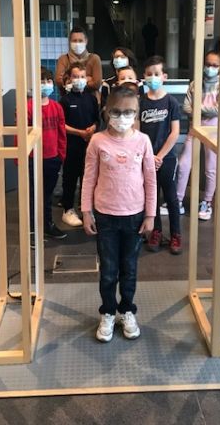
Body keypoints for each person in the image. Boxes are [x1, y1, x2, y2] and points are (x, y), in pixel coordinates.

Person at [81, 86, 156, 342]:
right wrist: (86, 211)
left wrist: (150, 215)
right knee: (108, 270)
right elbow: (89, 178)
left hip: (135, 216)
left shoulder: (143, 141)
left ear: (136, 113)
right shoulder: (97, 141)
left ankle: (127, 310)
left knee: (129, 269)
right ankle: (108, 311)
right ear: (106, 111)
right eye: (116, 111)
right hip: (105, 216)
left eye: (128, 112)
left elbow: (150, 180)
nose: (122, 117)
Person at [160, 50, 220, 220]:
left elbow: (219, 110)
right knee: (184, 164)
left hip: (213, 130)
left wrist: (198, 109)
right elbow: (186, 107)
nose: (210, 68)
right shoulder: (195, 84)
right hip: (195, 129)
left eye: (215, 65)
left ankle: (207, 202)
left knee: (211, 167)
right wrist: (205, 111)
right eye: (208, 64)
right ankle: (177, 201)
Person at [139, 55, 182, 254]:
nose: (153, 77)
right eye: (149, 74)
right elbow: (137, 132)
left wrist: (160, 156)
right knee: (152, 197)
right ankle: (156, 231)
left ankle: (176, 234)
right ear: (144, 76)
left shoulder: (171, 102)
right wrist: (149, 156)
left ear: (164, 76)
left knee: (171, 197)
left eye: (156, 73)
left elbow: (175, 132)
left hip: (167, 158)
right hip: (147, 158)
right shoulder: (140, 102)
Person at [25, 67, 67, 244]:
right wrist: (20, 158)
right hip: (33, 159)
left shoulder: (57, 107)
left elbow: (61, 133)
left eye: (48, 81)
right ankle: (32, 231)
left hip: (52, 158)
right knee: (33, 195)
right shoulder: (27, 107)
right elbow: (21, 134)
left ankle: (47, 225)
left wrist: (61, 155)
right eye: (41, 81)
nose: (45, 84)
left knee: (47, 195)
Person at [60, 62, 99, 227]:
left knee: (88, 178)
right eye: (75, 76)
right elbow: (61, 125)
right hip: (71, 146)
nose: (79, 80)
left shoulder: (91, 99)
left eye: (82, 77)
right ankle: (68, 209)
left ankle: (86, 209)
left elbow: (97, 119)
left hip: (89, 146)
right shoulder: (65, 100)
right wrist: (79, 132)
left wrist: (93, 128)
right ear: (69, 78)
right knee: (70, 178)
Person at [55, 26, 102, 96]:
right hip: (68, 99)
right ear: (70, 42)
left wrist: (72, 81)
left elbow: (97, 83)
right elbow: (59, 81)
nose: (77, 44)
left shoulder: (94, 59)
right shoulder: (63, 59)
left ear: (86, 41)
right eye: (74, 41)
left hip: (91, 99)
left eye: (80, 41)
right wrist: (87, 79)